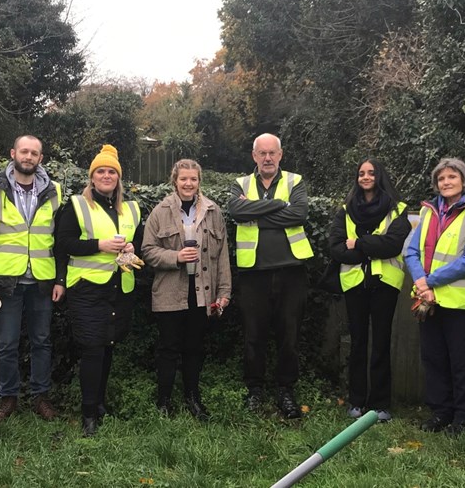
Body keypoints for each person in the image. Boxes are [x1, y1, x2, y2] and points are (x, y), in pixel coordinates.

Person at [0, 134, 64, 422]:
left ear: (41, 158)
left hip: (42, 282)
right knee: (7, 344)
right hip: (5, 284)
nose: (29, 157)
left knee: (42, 341)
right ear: (13, 153)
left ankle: (40, 397)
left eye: (35, 153)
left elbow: (60, 242)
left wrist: (60, 279)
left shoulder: (54, 191)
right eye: (24, 151)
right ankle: (8, 398)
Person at [55, 144, 144, 436]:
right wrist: (100, 246)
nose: (106, 176)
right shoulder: (77, 205)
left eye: (112, 172)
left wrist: (132, 247)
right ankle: (88, 414)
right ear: (92, 177)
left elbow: (139, 242)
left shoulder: (131, 208)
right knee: (93, 349)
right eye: (101, 171)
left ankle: (100, 403)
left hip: (119, 288)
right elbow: (64, 244)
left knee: (108, 347)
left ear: (118, 178)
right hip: (87, 289)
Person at [226, 133, 314, 419]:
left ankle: (286, 391)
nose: (267, 158)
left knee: (289, 335)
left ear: (280, 155)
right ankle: (255, 390)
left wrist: (256, 213)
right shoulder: (241, 184)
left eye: (271, 153)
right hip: (254, 273)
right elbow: (236, 211)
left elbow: (299, 215)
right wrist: (278, 205)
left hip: (291, 272)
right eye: (261, 153)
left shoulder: (294, 181)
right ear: (254, 156)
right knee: (254, 335)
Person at [141, 159, 231, 421]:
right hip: (170, 292)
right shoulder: (160, 211)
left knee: (194, 348)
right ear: (175, 181)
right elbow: (147, 251)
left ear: (199, 181)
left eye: (193, 179)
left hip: (202, 293)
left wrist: (224, 292)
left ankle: (193, 399)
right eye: (183, 179)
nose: (188, 183)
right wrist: (176, 257)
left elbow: (222, 256)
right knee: (168, 349)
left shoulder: (213, 211)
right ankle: (164, 402)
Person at [404, 157, 465, 435]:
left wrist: (429, 281)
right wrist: (420, 281)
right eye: (441, 179)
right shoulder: (427, 211)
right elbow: (411, 252)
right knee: (433, 358)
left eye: (452, 177)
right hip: (428, 300)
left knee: (461, 362)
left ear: (464, 181)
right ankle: (441, 412)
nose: (446, 182)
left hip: (458, 301)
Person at [327, 158, 410, 423]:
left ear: (380, 176)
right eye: (361, 173)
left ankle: (381, 404)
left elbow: (393, 245)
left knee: (381, 343)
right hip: (354, 284)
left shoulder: (397, 210)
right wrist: (370, 247)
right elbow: (337, 248)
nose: (365, 177)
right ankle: (356, 400)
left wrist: (359, 243)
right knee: (359, 342)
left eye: (371, 172)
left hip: (385, 283)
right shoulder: (346, 209)